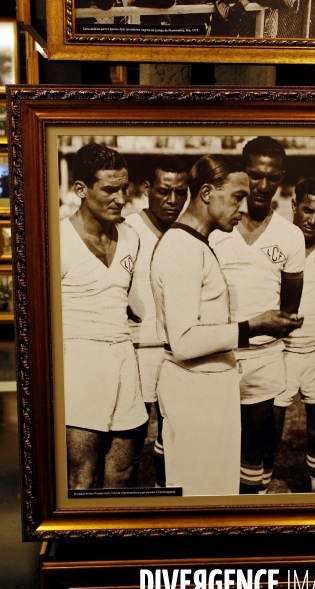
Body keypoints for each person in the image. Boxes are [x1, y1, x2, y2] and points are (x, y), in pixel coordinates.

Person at [150, 154, 302, 496]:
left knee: (215, 493)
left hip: (207, 387)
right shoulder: (182, 249)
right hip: (195, 389)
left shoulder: (194, 243)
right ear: (206, 193)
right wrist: (254, 325)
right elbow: (185, 341)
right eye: (237, 196)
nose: (244, 207)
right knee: (200, 499)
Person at [211, 136, 305, 495]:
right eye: (254, 175)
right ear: (241, 172)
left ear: (282, 178)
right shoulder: (218, 227)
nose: (263, 186)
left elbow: (289, 308)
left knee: (257, 450)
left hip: (265, 358)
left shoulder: (290, 235)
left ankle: (249, 522)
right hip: (219, 352)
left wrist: (272, 331)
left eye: (273, 177)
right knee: (216, 444)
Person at [60, 142, 148, 490]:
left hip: (124, 356)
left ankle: (117, 542)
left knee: (123, 470)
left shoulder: (130, 237)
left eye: (123, 188)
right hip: (79, 360)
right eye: (109, 189)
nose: (120, 198)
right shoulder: (56, 239)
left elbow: (124, 298)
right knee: (82, 477)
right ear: (81, 189)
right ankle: (75, 544)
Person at [274, 178, 315, 493]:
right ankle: (259, 494)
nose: (312, 219)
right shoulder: (276, 244)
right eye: (307, 210)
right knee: (267, 432)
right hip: (279, 353)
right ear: (294, 205)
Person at [125, 155, 188, 487]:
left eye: (180, 192)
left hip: (178, 350)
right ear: (148, 189)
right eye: (165, 191)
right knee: (130, 437)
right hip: (137, 349)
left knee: (174, 433)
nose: (173, 200)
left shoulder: (188, 231)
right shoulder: (127, 231)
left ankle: (167, 501)